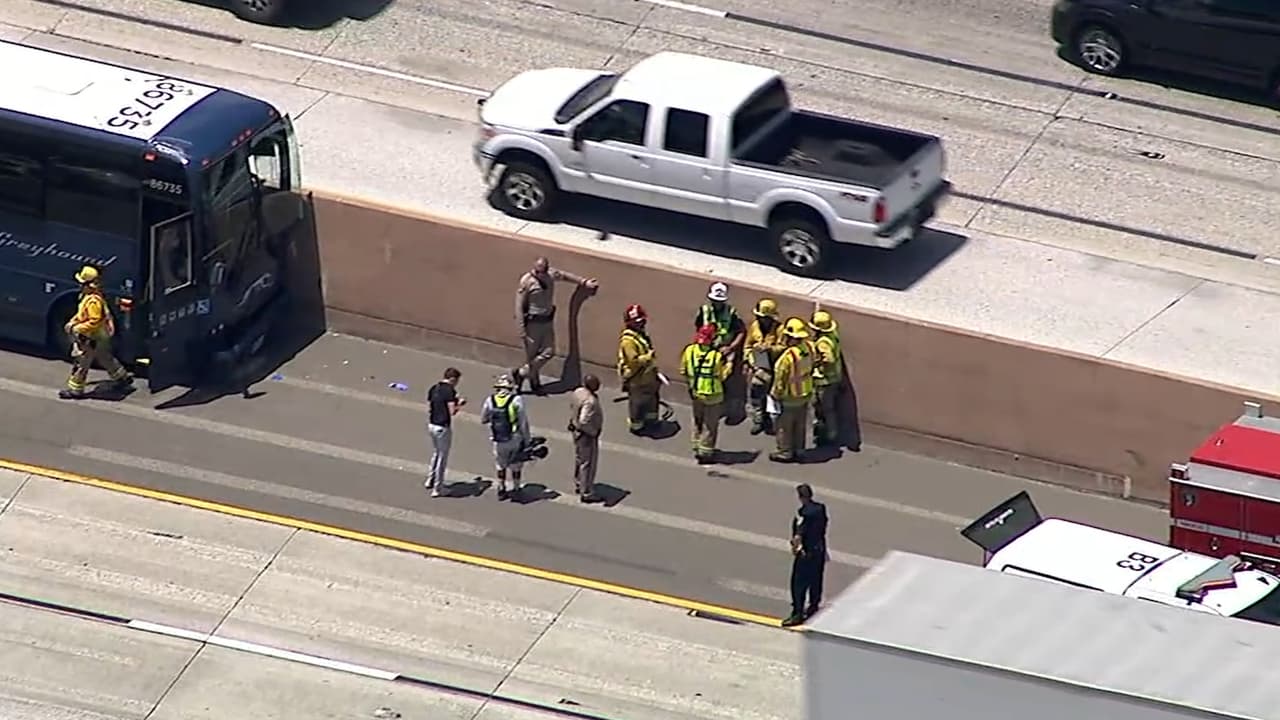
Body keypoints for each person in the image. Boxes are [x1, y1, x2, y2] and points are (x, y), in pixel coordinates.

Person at [513, 256, 599, 394]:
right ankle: (534, 384)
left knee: (549, 352)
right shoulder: (527, 282)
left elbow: (565, 276)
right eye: (540, 271)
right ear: (535, 270)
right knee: (532, 355)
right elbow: (518, 306)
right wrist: (521, 329)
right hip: (533, 324)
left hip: (547, 321)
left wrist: (583, 282)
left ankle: (521, 373)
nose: (543, 273)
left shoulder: (550, 275)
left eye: (545, 270)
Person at [59, 265, 133, 400]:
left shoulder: (93, 301)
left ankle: (76, 390)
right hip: (99, 337)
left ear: (88, 285)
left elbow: (94, 320)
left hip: (91, 337)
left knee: (81, 363)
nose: (80, 285)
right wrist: (73, 321)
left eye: (82, 283)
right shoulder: (91, 296)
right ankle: (122, 378)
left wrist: (77, 328)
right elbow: (82, 315)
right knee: (105, 357)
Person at [693, 282, 746, 418]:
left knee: (724, 378)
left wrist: (731, 347)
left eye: (720, 301)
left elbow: (741, 331)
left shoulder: (731, 312)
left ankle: (721, 405)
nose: (717, 303)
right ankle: (702, 403)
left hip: (725, 350)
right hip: (706, 348)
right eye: (715, 301)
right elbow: (698, 328)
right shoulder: (703, 311)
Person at [681, 324, 732, 463]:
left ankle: (696, 446)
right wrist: (729, 364)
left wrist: (692, 384)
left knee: (697, 420)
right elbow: (722, 375)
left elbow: (683, 370)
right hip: (713, 395)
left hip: (696, 392)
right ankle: (706, 452)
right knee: (710, 424)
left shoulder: (689, 351)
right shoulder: (716, 356)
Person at [782, 483, 829, 627]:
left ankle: (797, 613)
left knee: (798, 584)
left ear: (801, 497)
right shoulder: (820, 508)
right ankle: (814, 607)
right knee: (816, 580)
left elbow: (799, 534)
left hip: (806, 552)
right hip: (819, 549)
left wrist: (796, 546)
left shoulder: (803, 513)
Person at [769, 318, 814, 463]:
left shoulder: (788, 357)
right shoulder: (809, 347)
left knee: (784, 426)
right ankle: (799, 450)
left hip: (790, 396)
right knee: (800, 424)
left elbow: (780, 378)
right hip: (805, 393)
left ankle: (785, 452)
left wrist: (775, 394)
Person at [481, 373, 531, 501]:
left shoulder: (490, 400)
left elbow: (483, 419)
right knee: (516, 464)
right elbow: (523, 422)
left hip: (498, 438)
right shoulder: (516, 400)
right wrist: (527, 440)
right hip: (514, 437)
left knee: (500, 464)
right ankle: (516, 488)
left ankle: (501, 488)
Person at [616, 303, 661, 435]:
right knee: (638, 403)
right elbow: (633, 361)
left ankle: (651, 421)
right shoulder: (628, 341)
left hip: (648, 376)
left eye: (642, 320)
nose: (642, 323)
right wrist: (648, 357)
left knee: (652, 399)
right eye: (638, 321)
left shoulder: (640, 335)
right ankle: (637, 426)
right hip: (637, 378)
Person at [745, 298, 786, 435]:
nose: (760, 319)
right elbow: (748, 346)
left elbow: (783, 347)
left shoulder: (780, 329)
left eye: (763, 317)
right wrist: (751, 360)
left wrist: (770, 349)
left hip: (774, 368)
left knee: (774, 397)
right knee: (756, 392)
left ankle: (774, 423)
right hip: (759, 368)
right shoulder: (755, 327)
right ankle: (759, 419)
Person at [425, 367, 465, 498]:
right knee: (442, 457)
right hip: (443, 427)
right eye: (457, 381)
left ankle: (430, 479)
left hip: (431, 424)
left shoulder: (434, 388)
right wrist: (460, 404)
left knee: (436, 453)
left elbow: (430, 406)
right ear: (453, 379)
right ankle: (438, 488)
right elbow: (452, 411)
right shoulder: (449, 391)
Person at [809, 310, 843, 447]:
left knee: (823, 408)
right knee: (827, 408)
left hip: (824, 380)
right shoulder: (833, 335)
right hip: (834, 378)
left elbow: (828, 359)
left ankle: (829, 435)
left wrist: (817, 363)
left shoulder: (823, 342)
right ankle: (829, 433)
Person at [568, 374, 604, 502]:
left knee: (579, 458)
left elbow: (572, 407)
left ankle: (579, 482)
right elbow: (584, 421)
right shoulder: (590, 401)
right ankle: (587, 492)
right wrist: (593, 432)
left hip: (575, 431)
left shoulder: (578, 392)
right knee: (587, 463)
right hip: (586, 435)